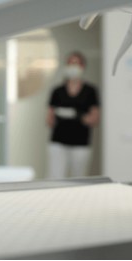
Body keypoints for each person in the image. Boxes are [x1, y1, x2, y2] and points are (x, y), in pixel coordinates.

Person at [47, 51, 100, 179]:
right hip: (58, 142)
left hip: (80, 143)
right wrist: (59, 115)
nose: (73, 66)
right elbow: (49, 119)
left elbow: (94, 119)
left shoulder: (90, 91)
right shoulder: (57, 91)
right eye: (70, 63)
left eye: (76, 63)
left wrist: (77, 115)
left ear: (82, 66)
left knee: (79, 179)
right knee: (56, 177)